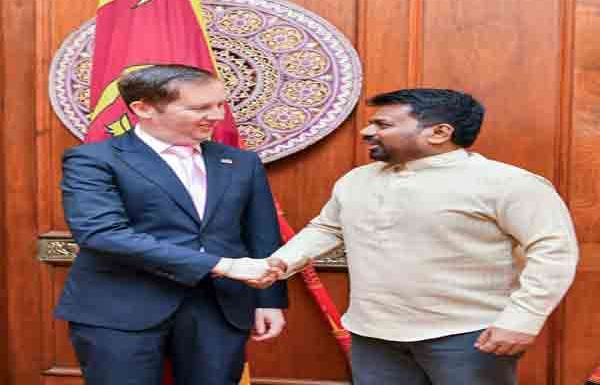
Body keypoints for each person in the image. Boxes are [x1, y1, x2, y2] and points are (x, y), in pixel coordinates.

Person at [268, 89, 579, 385]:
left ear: (439, 133)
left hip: (469, 335)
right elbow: (327, 228)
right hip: (372, 335)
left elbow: (553, 251)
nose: (366, 131)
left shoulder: (509, 183)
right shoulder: (356, 180)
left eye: (383, 124)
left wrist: (523, 318)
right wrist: (280, 263)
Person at [55, 64, 287, 385]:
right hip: (121, 308)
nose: (217, 116)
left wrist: (268, 300)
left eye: (220, 104)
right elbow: (102, 235)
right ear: (144, 108)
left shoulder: (241, 161)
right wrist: (222, 265)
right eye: (199, 108)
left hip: (217, 310)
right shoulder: (93, 160)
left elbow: (261, 233)